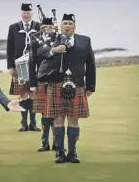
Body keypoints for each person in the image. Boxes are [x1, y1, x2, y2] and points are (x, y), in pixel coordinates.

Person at [37, 13, 96, 163]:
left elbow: (90, 64)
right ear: (61, 26)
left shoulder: (84, 41)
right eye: (65, 23)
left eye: (70, 23)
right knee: (58, 119)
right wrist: (54, 50)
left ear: (74, 26)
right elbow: (40, 53)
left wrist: (90, 86)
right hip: (56, 83)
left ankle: (72, 152)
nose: (67, 26)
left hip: (76, 83)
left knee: (73, 119)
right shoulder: (52, 39)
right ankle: (60, 153)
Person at [6, 3, 41, 131]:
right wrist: (10, 66)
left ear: (32, 14)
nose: (26, 15)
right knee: (23, 94)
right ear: (21, 13)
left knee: (33, 94)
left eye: (28, 13)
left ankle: (33, 123)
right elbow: (9, 48)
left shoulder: (38, 26)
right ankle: (23, 123)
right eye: (24, 13)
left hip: (34, 66)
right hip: (19, 66)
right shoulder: (14, 28)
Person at [28, 17, 57, 152]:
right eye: (44, 27)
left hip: (56, 80)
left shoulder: (59, 40)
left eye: (48, 27)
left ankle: (57, 142)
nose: (46, 29)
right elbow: (31, 63)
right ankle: (45, 143)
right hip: (41, 80)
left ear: (53, 27)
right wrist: (32, 84)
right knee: (44, 114)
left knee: (56, 113)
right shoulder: (35, 42)